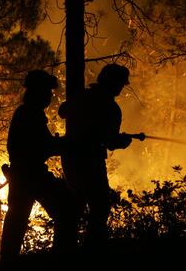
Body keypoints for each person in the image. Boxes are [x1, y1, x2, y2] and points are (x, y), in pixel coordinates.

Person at [1, 70, 75, 263]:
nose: (50, 96)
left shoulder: (26, 113)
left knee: (16, 219)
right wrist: (68, 143)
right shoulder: (31, 114)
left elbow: (40, 145)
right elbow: (44, 146)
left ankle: (7, 261)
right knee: (66, 209)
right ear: (38, 92)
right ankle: (62, 258)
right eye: (47, 92)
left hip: (22, 175)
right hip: (31, 175)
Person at [59, 63, 133, 251]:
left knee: (75, 206)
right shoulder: (110, 107)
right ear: (113, 82)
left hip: (71, 158)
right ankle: (93, 249)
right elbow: (110, 141)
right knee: (100, 205)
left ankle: (64, 250)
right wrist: (123, 141)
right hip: (90, 160)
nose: (121, 88)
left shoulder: (83, 97)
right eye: (120, 84)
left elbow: (62, 111)